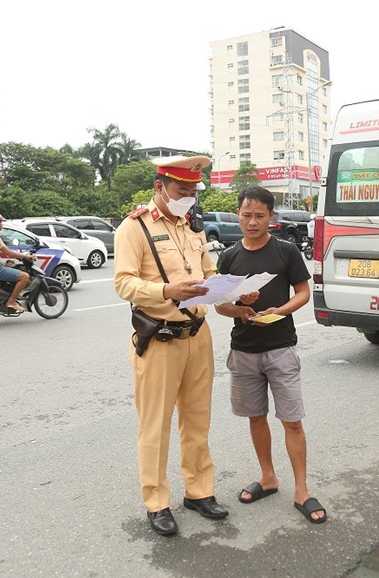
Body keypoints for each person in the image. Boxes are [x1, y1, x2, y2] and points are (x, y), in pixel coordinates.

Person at [113, 155, 228, 536]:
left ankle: (198, 491)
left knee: (198, 421)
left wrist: (234, 293)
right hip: (160, 338)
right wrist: (165, 290)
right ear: (160, 187)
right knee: (155, 426)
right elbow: (124, 284)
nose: (190, 198)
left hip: (198, 335)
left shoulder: (192, 228)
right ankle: (156, 501)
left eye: (194, 192)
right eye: (183, 191)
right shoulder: (134, 228)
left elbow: (209, 273)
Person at [215, 186, 327, 524]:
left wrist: (280, 310)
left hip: (280, 347)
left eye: (259, 216)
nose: (252, 222)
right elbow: (220, 305)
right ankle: (268, 477)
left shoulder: (286, 251)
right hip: (244, 350)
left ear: (271, 217)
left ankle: (302, 490)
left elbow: (304, 292)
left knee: (292, 421)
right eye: (246, 215)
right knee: (256, 417)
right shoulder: (229, 256)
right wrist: (240, 309)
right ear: (239, 215)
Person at [0, 212, 34, 312]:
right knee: (24, 277)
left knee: (13, 267)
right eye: (0, 223)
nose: (2, 225)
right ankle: (11, 301)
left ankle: (8, 297)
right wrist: (25, 256)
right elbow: (9, 253)